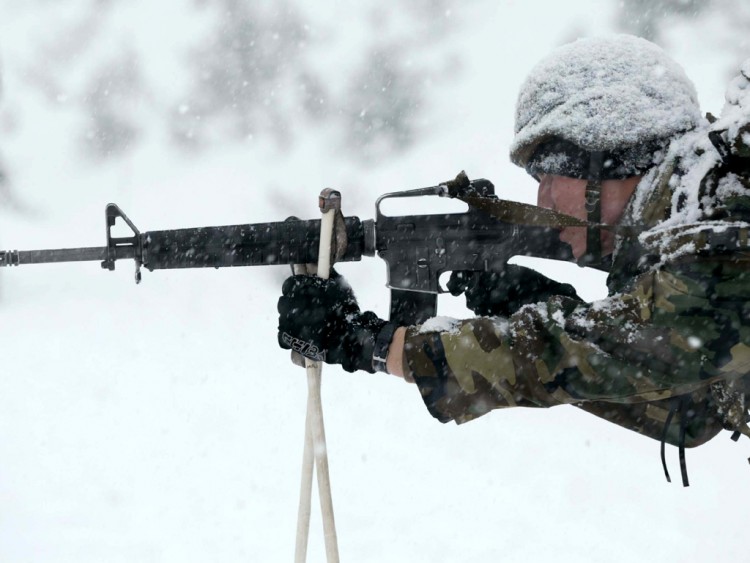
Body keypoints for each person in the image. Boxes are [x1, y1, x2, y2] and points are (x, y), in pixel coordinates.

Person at [277, 35, 750, 485]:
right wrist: (529, 301)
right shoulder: (699, 217)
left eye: (547, 175)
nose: (540, 197)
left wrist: (373, 344)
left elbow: (605, 349)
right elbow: (691, 409)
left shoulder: (724, 229)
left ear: (606, 160)